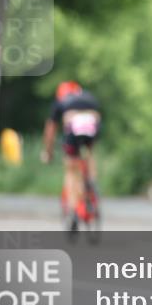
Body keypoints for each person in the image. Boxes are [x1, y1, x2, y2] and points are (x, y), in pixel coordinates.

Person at [42, 81, 101, 229]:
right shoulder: (87, 96)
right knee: (89, 153)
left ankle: (74, 210)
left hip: (73, 123)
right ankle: (91, 183)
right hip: (92, 121)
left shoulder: (61, 102)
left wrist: (48, 153)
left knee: (71, 169)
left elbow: (50, 132)